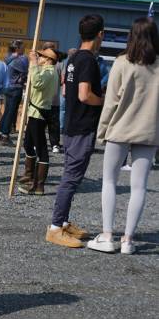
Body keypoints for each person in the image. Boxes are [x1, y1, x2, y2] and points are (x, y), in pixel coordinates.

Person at [87, 17, 159, 254]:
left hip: (120, 128)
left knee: (109, 181)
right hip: (148, 131)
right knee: (139, 187)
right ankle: (128, 240)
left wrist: (103, 129)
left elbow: (111, 102)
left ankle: (107, 236)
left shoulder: (121, 62)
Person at [46, 14, 105, 248]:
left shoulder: (72, 58)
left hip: (71, 123)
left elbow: (65, 91)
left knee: (70, 177)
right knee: (70, 179)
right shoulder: (88, 60)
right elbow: (84, 94)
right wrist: (104, 100)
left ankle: (63, 222)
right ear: (100, 34)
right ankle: (55, 226)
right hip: (82, 126)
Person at [17, 46, 59, 194]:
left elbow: (37, 83)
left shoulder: (50, 72)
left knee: (41, 149)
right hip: (34, 112)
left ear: (48, 60)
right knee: (28, 144)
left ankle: (39, 185)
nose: (39, 58)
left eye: (41, 57)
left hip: (39, 114)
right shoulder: (45, 71)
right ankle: (29, 175)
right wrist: (34, 64)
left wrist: (34, 64)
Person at [0, 40, 28, 144]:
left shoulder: (7, 57)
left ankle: (1, 134)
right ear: (18, 48)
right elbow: (25, 72)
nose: (24, 48)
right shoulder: (21, 59)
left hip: (8, 87)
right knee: (11, 112)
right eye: (23, 46)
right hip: (16, 88)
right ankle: (5, 136)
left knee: (7, 111)